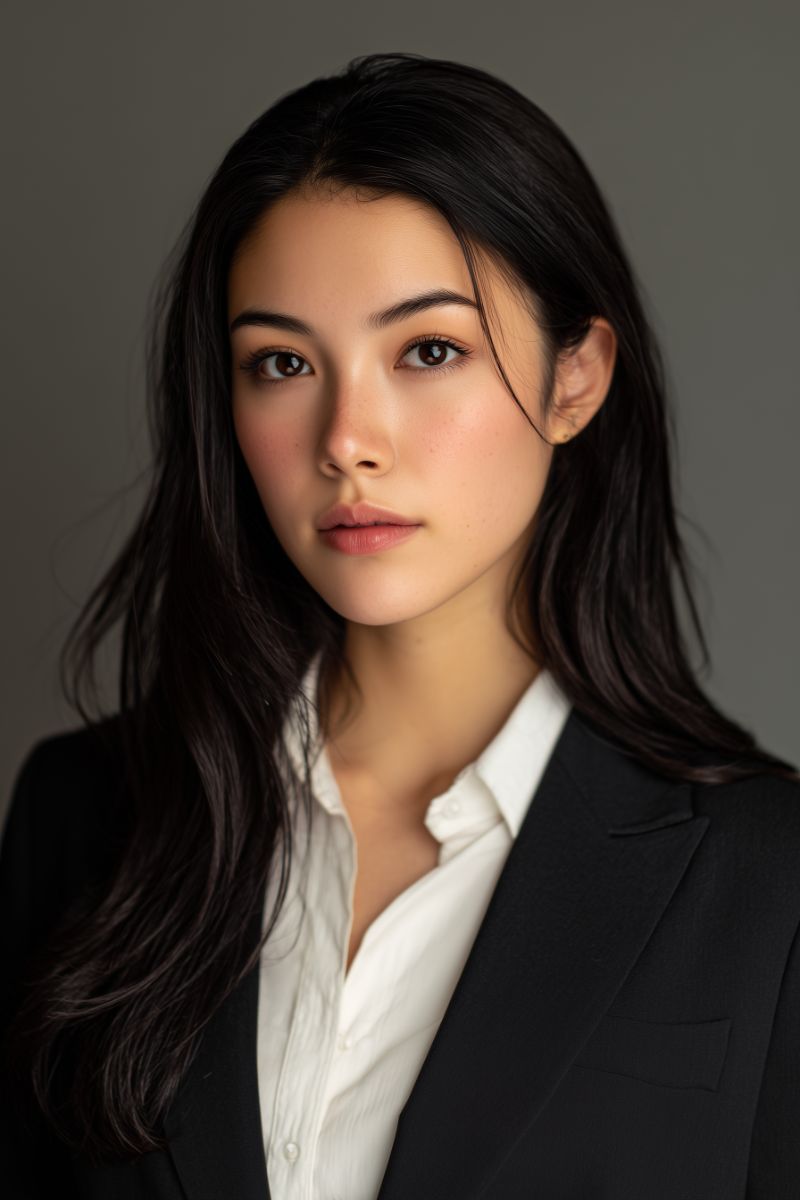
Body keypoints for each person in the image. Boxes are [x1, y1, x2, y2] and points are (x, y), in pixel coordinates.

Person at [1, 50, 798, 1200]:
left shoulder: (763, 888)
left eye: (427, 350)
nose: (345, 437)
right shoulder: (87, 822)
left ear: (574, 378)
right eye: (280, 363)